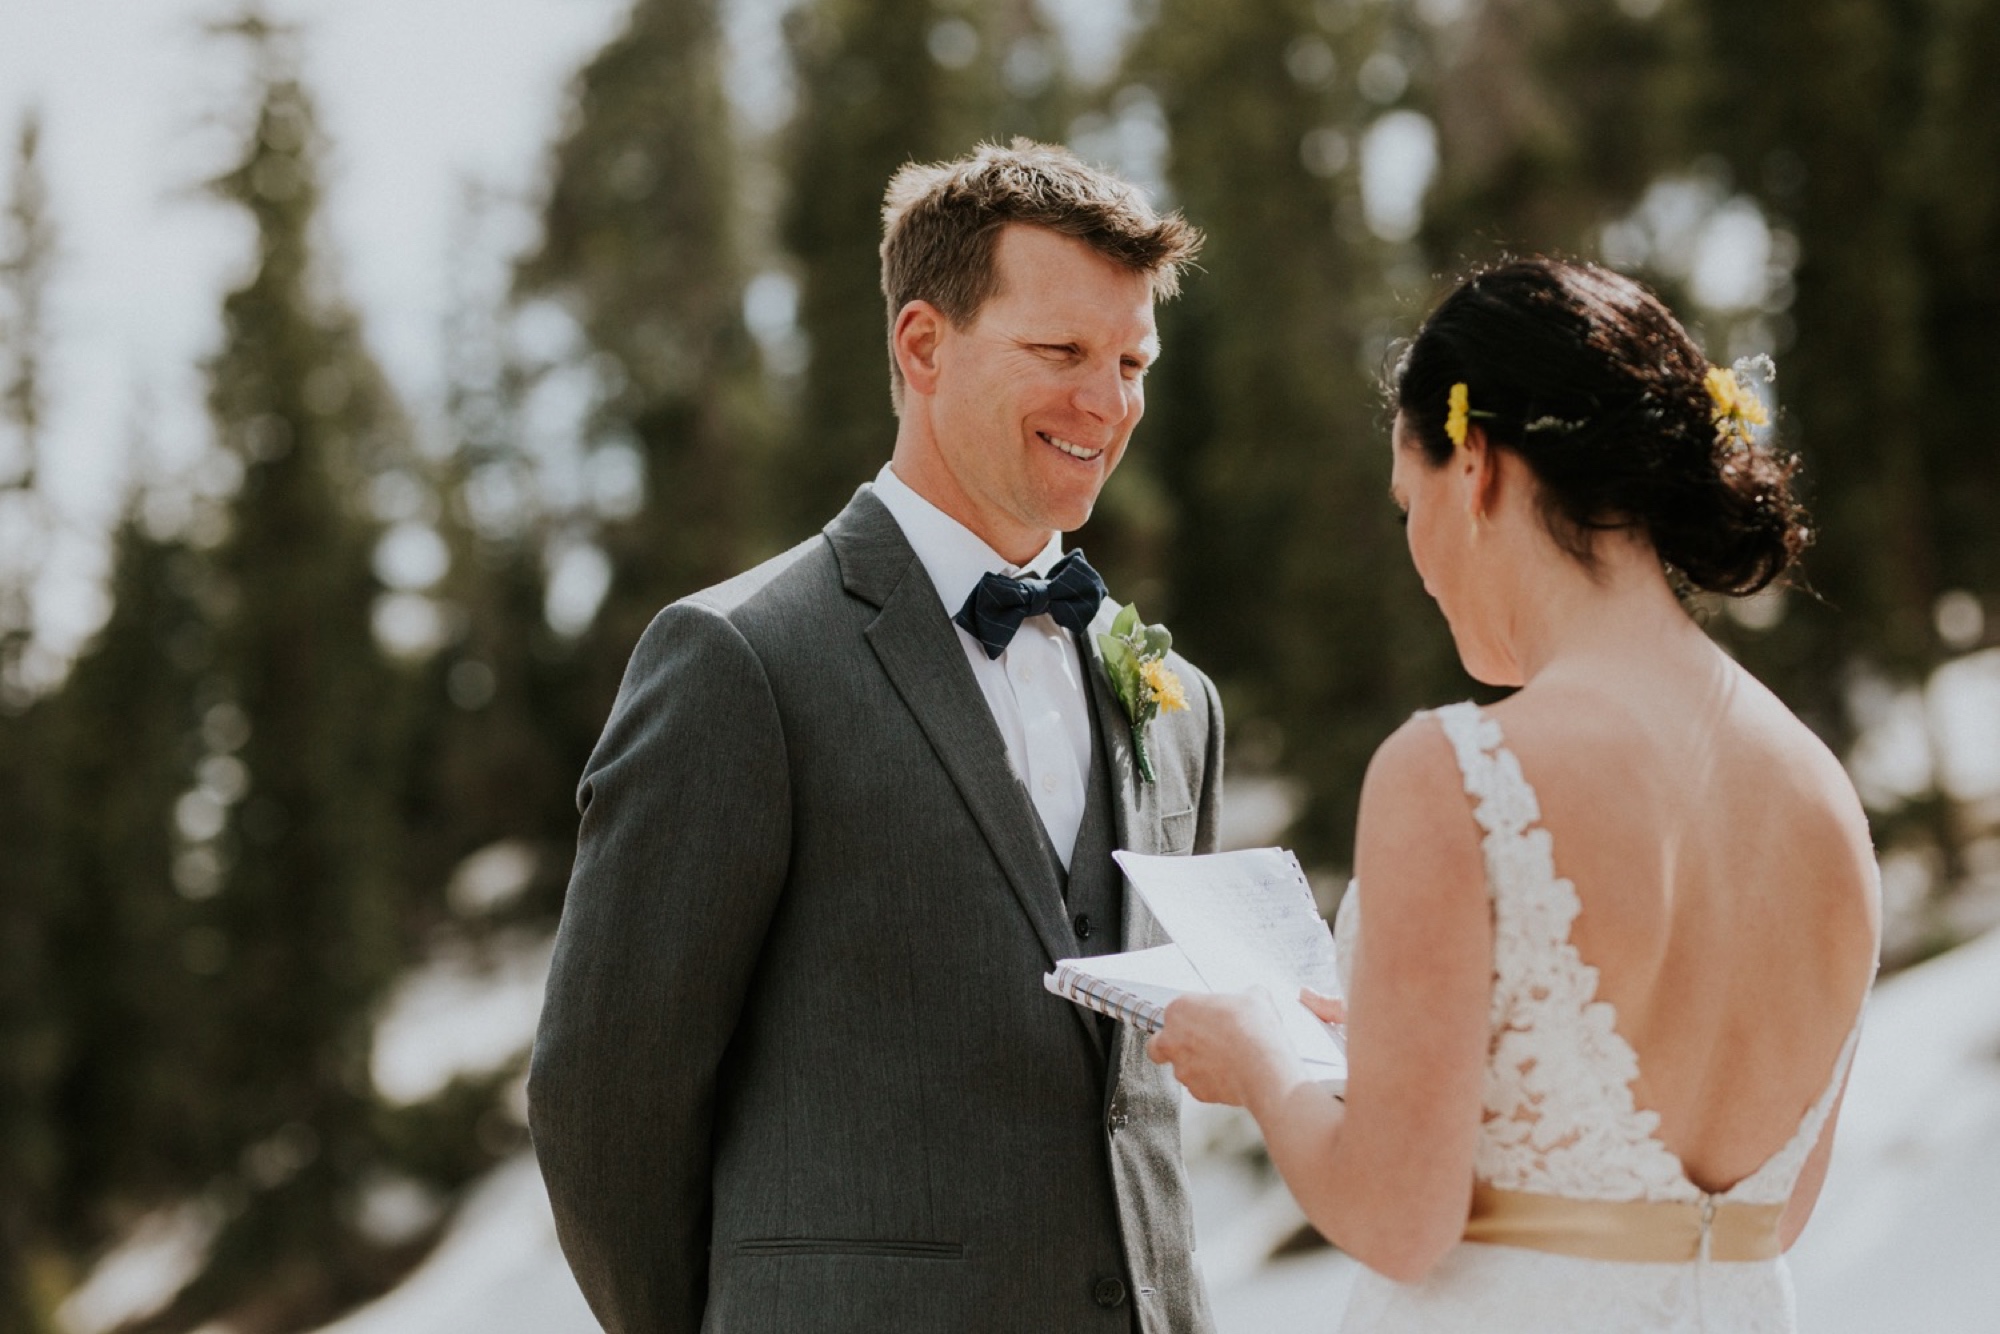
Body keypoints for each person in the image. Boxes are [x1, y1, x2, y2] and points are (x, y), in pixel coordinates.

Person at [531, 140, 1222, 1333]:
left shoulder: (1179, 699)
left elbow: (1131, 1099)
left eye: (1130, 360)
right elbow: (607, 1103)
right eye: (1059, 352)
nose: (1106, 404)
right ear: (921, 345)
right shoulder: (738, 659)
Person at [1148, 258, 1880, 1332]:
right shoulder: (1822, 796)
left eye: (1408, 502)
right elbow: (1773, 1208)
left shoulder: (1453, 771)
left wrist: (1262, 1059)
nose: (1417, 556)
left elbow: (1400, 1220)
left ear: (1476, 466)